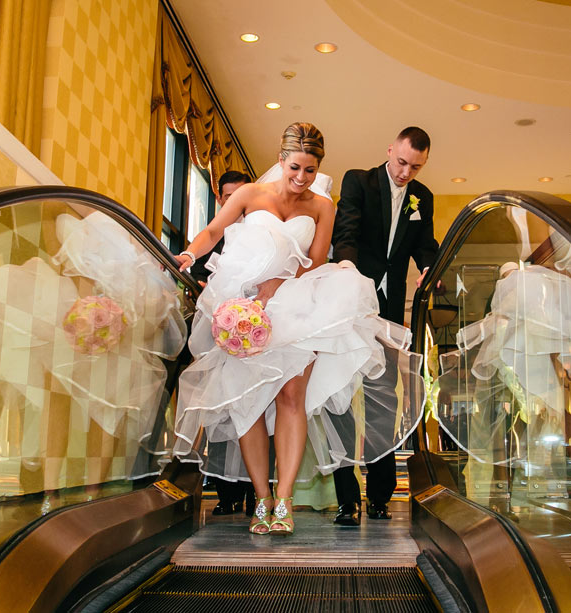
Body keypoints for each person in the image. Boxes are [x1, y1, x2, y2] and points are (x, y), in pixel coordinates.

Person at [172, 122, 423, 535]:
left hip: (294, 305)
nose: (300, 178)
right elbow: (215, 231)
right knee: (247, 403)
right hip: (244, 304)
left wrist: (280, 282)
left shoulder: (323, 206)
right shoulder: (251, 195)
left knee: (292, 396)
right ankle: (262, 498)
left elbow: (318, 259)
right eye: (294, 168)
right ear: (280, 160)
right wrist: (189, 252)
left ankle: (284, 498)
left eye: (310, 170)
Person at [330, 126, 438, 525]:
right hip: (351, 303)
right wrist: (346, 272)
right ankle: (346, 499)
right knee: (341, 399)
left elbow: (423, 242)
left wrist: (429, 265)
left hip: (390, 311)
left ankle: (379, 496)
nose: (406, 172)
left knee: (383, 402)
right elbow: (347, 230)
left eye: (416, 167)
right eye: (402, 162)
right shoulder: (358, 181)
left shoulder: (422, 197)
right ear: (390, 149)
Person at [188, 170, 256, 517]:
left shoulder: (262, 232)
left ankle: (255, 491)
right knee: (221, 410)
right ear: (220, 199)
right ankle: (226, 492)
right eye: (227, 197)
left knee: (255, 409)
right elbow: (196, 274)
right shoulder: (213, 237)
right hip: (221, 334)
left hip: (256, 334)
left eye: (240, 195)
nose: (234, 203)